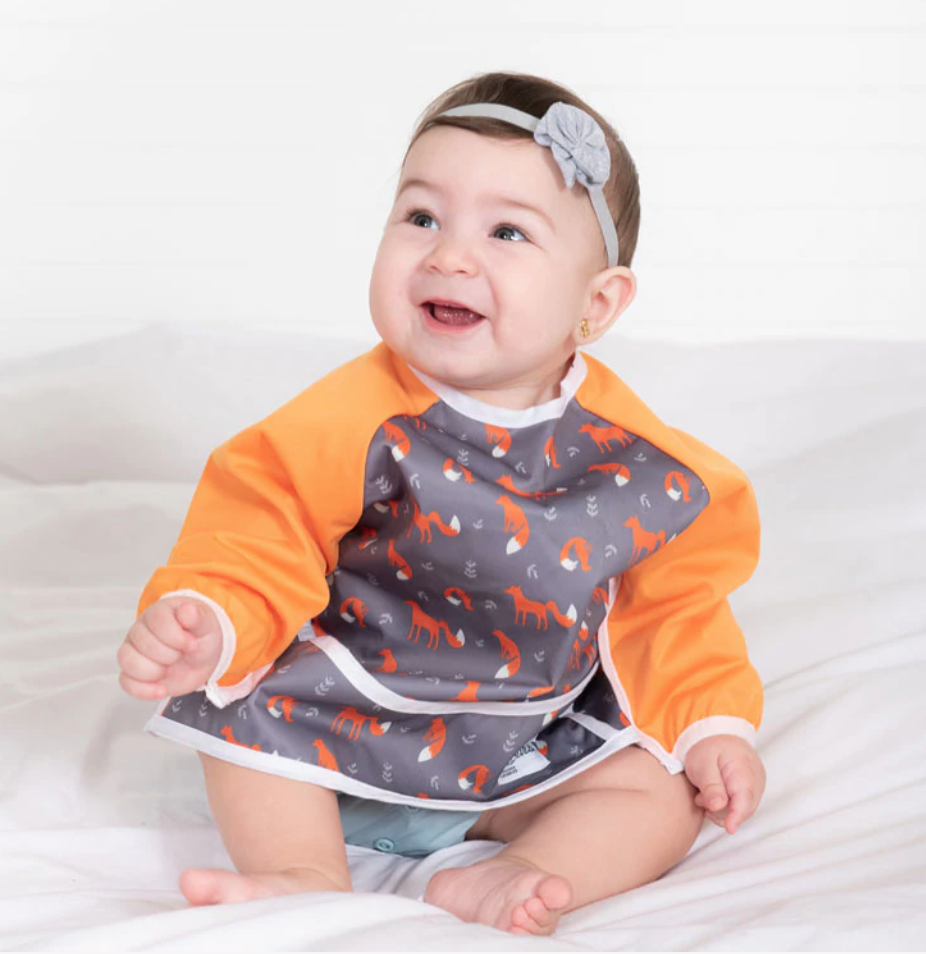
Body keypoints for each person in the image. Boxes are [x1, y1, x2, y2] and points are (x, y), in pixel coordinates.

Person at [117, 71, 767, 937]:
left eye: (507, 232)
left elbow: (674, 609)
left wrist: (709, 723)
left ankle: (516, 872)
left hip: (525, 743)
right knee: (239, 709)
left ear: (596, 303)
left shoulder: (639, 466)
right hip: (335, 719)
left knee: (660, 789)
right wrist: (214, 618)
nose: (449, 256)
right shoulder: (351, 419)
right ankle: (302, 873)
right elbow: (261, 526)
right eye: (422, 217)